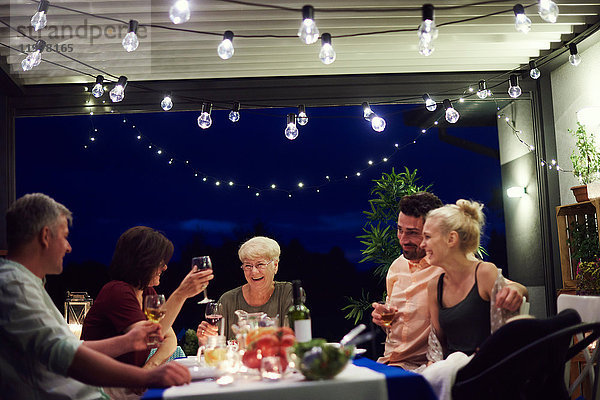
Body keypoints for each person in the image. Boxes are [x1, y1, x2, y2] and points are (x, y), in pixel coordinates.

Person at [0, 193, 191, 400]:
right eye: (64, 236)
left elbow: (71, 348)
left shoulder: (26, 284)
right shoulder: (15, 286)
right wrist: (144, 377)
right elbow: (66, 355)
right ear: (45, 236)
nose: (69, 247)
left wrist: (129, 343)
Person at [82, 226, 213, 369]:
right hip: (100, 380)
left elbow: (169, 338)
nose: (165, 268)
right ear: (142, 262)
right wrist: (180, 294)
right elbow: (148, 338)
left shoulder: (147, 292)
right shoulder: (117, 291)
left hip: (126, 379)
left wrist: (149, 368)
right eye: (160, 261)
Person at [422, 199, 527, 358]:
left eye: (428, 237)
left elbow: (510, 335)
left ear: (451, 239)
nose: (422, 244)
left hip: (487, 369)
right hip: (452, 372)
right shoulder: (434, 286)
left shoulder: (484, 273)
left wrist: (516, 290)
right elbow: (439, 345)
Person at [371, 191, 445, 370]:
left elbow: (501, 283)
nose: (403, 240)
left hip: (422, 368)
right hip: (388, 362)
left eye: (412, 233)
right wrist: (382, 319)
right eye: (399, 230)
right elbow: (395, 327)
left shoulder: (447, 265)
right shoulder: (397, 266)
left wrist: (513, 291)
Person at [197, 236, 292, 342]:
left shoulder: (287, 293)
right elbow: (215, 347)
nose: (254, 272)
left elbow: (293, 339)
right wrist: (206, 340)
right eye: (248, 266)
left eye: (260, 264)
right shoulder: (228, 300)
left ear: (275, 265)